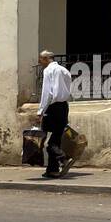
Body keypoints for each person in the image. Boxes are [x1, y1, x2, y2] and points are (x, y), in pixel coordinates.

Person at [36, 50, 73, 178]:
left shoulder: (48, 71)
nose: (39, 62)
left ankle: (63, 158)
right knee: (56, 138)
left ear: (46, 59)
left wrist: (40, 111)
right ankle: (52, 169)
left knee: (46, 139)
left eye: (40, 59)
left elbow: (47, 93)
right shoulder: (64, 70)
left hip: (52, 107)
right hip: (64, 106)